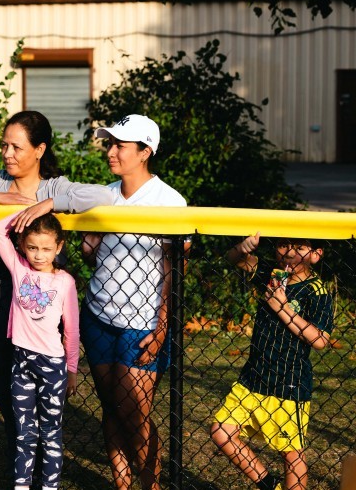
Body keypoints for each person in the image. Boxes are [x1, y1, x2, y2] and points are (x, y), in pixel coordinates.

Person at [0, 111, 112, 462]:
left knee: (42, 380)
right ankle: (21, 445)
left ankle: (47, 454)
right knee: (3, 374)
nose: (7, 153)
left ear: (40, 149)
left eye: (17, 146)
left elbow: (103, 196)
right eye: (4, 145)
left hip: (38, 296)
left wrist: (49, 203)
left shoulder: (53, 187)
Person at [79, 114, 186, 489]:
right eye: (109, 144)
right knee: (111, 408)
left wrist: (161, 327)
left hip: (140, 323)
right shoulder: (103, 194)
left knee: (135, 414)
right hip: (97, 317)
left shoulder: (169, 201)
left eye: (120, 145)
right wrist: (87, 242)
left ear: (145, 152)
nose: (110, 151)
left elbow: (174, 274)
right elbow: (92, 255)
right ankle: (122, 484)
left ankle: (150, 485)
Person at [211, 234, 333, 490]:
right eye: (283, 245)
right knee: (221, 432)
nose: (289, 252)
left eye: (299, 247)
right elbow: (234, 259)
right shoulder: (275, 275)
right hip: (252, 377)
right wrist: (242, 248)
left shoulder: (317, 291)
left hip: (288, 383)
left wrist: (282, 308)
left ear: (316, 254)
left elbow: (320, 340)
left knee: (291, 454)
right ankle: (269, 485)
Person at [0, 210, 79, 490]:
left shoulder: (65, 282)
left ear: (59, 247)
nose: (39, 255)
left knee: (51, 434)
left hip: (52, 365)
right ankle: (22, 485)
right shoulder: (19, 269)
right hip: (21, 362)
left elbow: (72, 330)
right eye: (32, 247)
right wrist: (30, 210)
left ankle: (50, 486)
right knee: (24, 433)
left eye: (46, 249)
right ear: (21, 245)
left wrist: (72, 369)